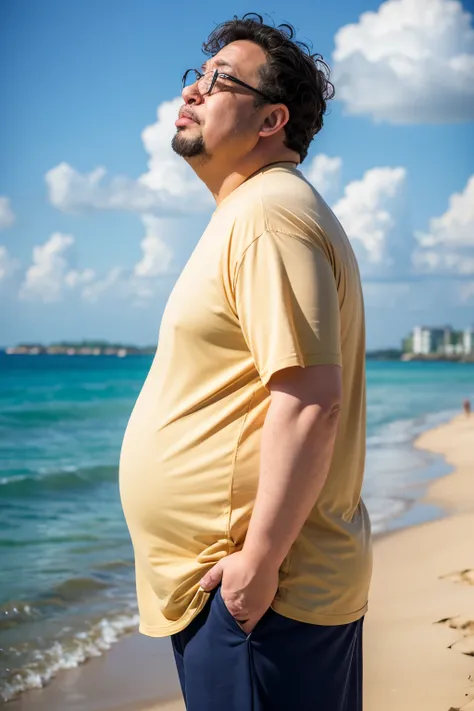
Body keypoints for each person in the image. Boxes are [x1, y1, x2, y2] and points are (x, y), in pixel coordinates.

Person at [119, 13, 372, 711]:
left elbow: (311, 399)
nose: (195, 91)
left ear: (271, 120)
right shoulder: (254, 214)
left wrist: (254, 570)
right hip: (256, 595)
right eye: (195, 77)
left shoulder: (269, 216)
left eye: (219, 80)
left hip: (261, 598)